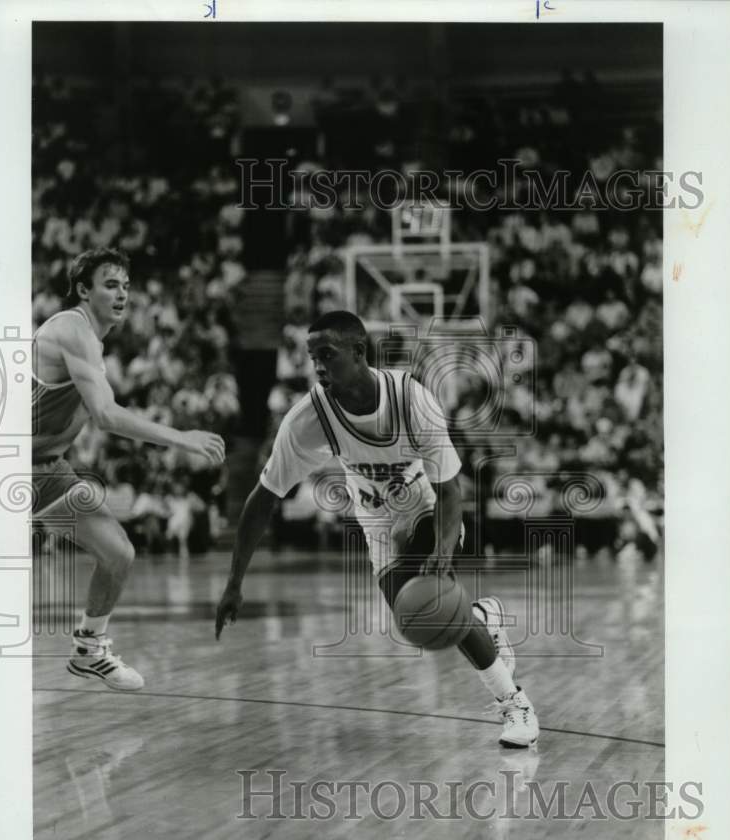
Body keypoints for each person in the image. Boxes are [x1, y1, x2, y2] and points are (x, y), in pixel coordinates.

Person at [215, 310, 539, 747]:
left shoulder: (411, 399)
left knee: (436, 604)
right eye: (313, 358)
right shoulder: (308, 418)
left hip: (426, 505)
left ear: (358, 351)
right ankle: (482, 617)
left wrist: (443, 551)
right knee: (416, 621)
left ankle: (514, 704)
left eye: (327, 354)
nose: (319, 366)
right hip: (377, 521)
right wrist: (234, 582)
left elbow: (450, 491)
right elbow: (262, 499)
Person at [32, 247, 225, 690]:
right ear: (83, 290)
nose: (122, 294)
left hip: (45, 468)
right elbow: (106, 415)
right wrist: (183, 438)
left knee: (118, 552)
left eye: (125, 286)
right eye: (110, 285)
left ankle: (88, 650)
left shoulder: (92, 342)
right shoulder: (70, 329)